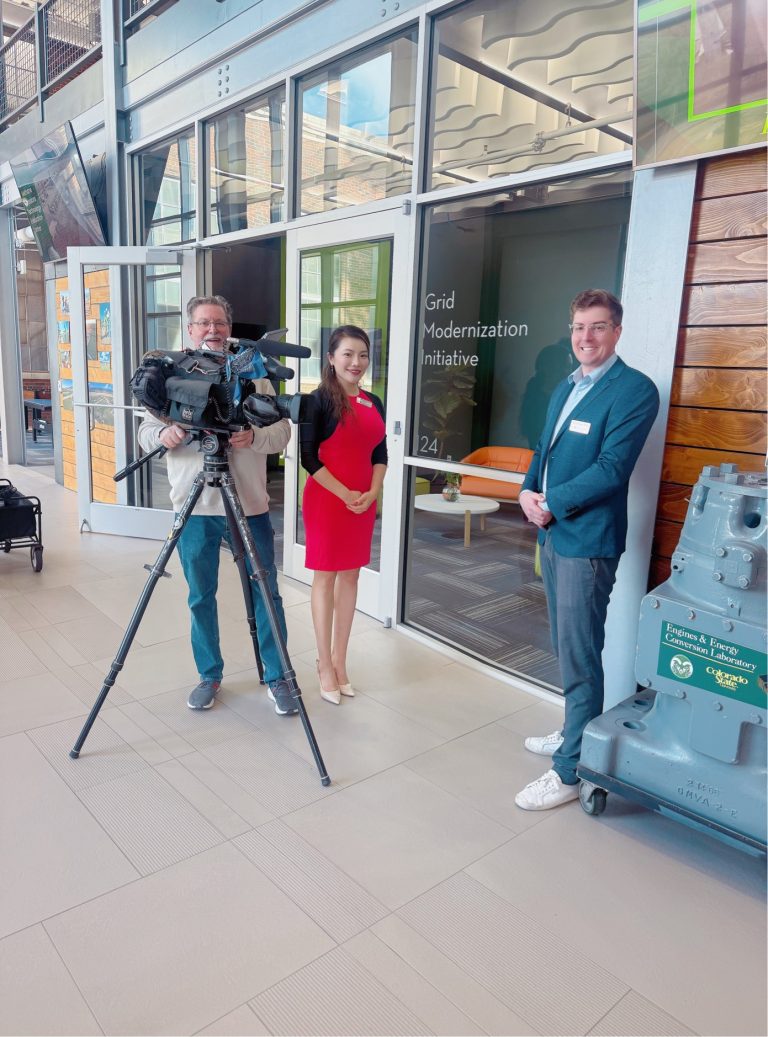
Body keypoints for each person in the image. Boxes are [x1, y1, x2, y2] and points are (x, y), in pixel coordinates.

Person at [516, 288, 659, 810]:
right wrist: (527, 491)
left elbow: (611, 469)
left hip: (587, 540)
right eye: (579, 327)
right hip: (553, 532)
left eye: (598, 327)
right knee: (565, 642)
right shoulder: (566, 384)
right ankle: (573, 731)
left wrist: (551, 502)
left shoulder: (634, 390)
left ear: (617, 331)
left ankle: (570, 771)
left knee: (580, 653)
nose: (586, 337)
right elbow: (544, 449)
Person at [137, 295, 297, 716]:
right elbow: (146, 432)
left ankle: (278, 675)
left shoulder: (253, 374)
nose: (213, 330)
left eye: (220, 323)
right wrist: (163, 437)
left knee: (267, 591)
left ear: (229, 327)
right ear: (189, 329)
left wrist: (254, 438)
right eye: (204, 323)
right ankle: (209, 675)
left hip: (249, 503)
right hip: (194, 508)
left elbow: (281, 432)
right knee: (200, 595)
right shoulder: (171, 376)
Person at [300, 326, 387, 705]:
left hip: (362, 501)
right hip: (327, 499)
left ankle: (340, 662)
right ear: (331, 358)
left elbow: (380, 454)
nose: (356, 362)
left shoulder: (374, 401)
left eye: (363, 355)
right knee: (326, 577)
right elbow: (308, 458)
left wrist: (372, 492)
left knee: (351, 576)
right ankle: (322, 663)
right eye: (348, 354)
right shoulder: (316, 401)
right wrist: (346, 493)